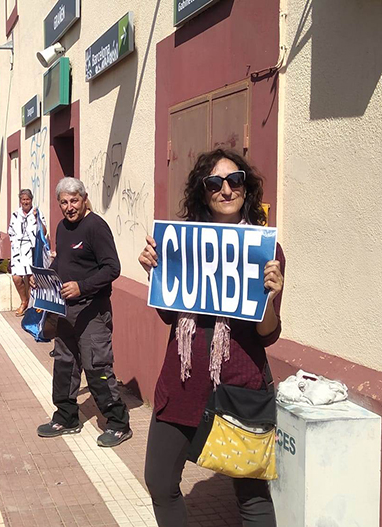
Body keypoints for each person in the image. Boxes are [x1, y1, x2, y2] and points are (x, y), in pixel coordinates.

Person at [137, 149, 284, 527]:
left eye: (234, 181)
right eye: (214, 183)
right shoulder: (180, 246)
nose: (225, 190)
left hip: (239, 389)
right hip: (182, 386)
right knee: (159, 480)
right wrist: (157, 273)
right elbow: (171, 314)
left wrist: (267, 299)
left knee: (251, 494)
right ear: (203, 193)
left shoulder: (265, 250)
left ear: (245, 188)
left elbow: (267, 334)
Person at [34, 177, 131, 448]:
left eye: (74, 201)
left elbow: (112, 268)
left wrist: (82, 287)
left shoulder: (96, 227)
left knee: (96, 366)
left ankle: (118, 423)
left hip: (93, 311)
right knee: (65, 363)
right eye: (63, 202)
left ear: (84, 198)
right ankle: (66, 417)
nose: (69, 207)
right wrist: (45, 280)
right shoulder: (63, 227)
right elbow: (63, 262)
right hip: (65, 310)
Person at [8, 189, 47, 316]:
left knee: (32, 279)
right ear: (20, 201)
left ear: (31, 200)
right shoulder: (15, 214)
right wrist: (14, 242)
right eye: (23, 199)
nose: (25, 202)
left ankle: (31, 306)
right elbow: (11, 231)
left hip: (32, 249)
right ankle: (24, 301)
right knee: (17, 278)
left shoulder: (37, 213)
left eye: (28, 199)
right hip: (18, 250)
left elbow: (44, 231)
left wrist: (37, 219)